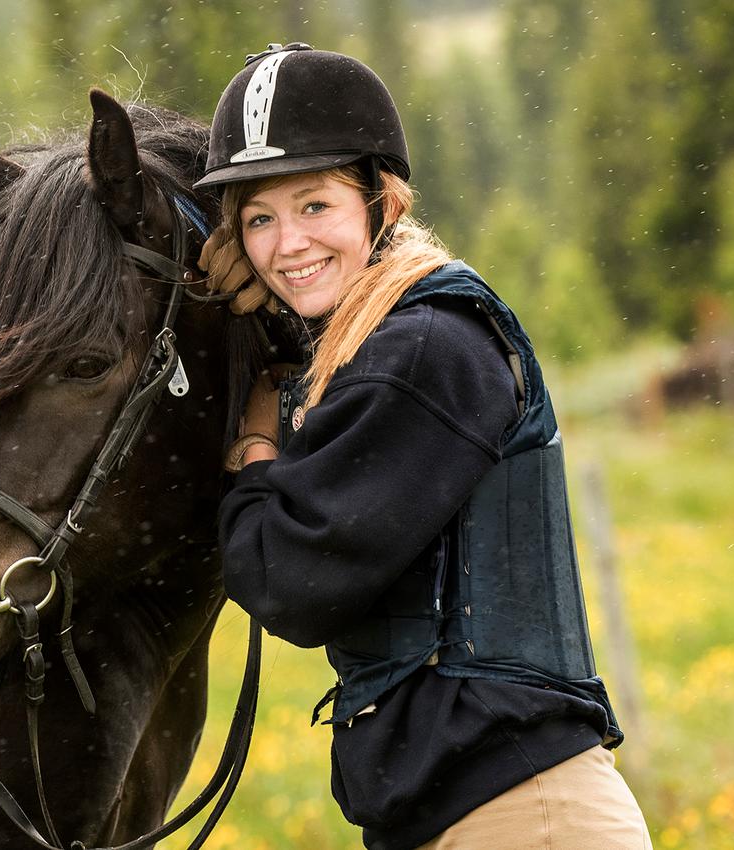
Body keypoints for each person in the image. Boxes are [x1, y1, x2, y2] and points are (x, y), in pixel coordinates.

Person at [195, 44, 652, 849]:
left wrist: (257, 435)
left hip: (518, 814)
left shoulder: (421, 351)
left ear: (382, 201)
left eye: (314, 205)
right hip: (471, 811)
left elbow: (286, 580)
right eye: (258, 219)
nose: (287, 243)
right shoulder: (381, 340)